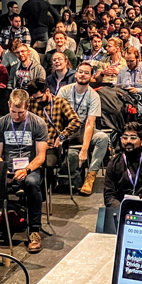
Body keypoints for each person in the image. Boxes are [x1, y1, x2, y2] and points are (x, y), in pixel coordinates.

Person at [0, 89, 49, 253]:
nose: (16, 116)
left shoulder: (38, 123)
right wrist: (4, 171)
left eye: (21, 113)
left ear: (28, 107)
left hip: (30, 168)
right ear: (8, 105)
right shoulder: (1, 123)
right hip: (8, 167)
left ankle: (34, 230)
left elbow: (41, 156)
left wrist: (26, 169)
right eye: (13, 112)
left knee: (31, 183)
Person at [57, 63, 111, 196]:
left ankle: (90, 176)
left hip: (83, 130)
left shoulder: (94, 96)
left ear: (91, 76)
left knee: (103, 138)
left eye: (86, 73)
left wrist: (84, 150)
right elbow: (57, 117)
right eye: (80, 72)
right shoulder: (64, 91)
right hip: (66, 129)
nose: (82, 75)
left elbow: (90, 124)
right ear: (75, 74)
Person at [117, 47, 142, 111]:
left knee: (125, 112)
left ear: (137, 59)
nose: (129, 64)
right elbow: (118, 89)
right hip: (124, 102)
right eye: (127, 61)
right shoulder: (122, 71)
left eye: (131, 61)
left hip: (140, 103)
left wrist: (138, 91)